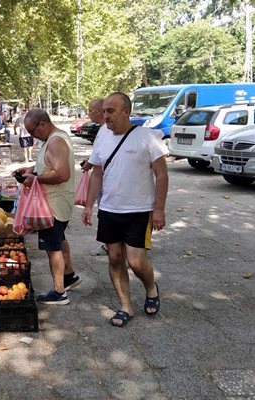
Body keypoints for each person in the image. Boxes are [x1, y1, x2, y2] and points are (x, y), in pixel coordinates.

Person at [81, 92, 168, 328]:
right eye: (104, 111)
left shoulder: (147, 137)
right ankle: (125, 305)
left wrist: (159, 209)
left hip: (140, 210)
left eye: (110, 111)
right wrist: (89, 205)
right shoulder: (102, 136)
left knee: (136, 261)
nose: (105, 115)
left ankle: (151, 287)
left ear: (126, 111)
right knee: (115, 258)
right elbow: (97, 173)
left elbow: (161, 174)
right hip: (109, 209)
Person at [15, 108, 80, 305]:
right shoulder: (52, 139)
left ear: (43, 124)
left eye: (32, 131)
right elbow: (49, 165)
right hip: (57, 204)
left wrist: (35, 179)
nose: (31, 135)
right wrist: (31, 170)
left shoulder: (55, 141)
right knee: (60, 240)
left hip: (51, 206)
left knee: (53, 249)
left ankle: (59, 292)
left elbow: (62, 174)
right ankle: (69, 277)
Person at [81, 98, 113, 256]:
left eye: (90, 110)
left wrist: (91, 163)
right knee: (104, 211)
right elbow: (99, 154)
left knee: (107, 212)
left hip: (108, 181)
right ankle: (109, 245)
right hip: (102, 177)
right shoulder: (102, 130)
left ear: (100, 111)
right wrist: (90, 162)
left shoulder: (108, 130)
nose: (88, 113)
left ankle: (115, 247)